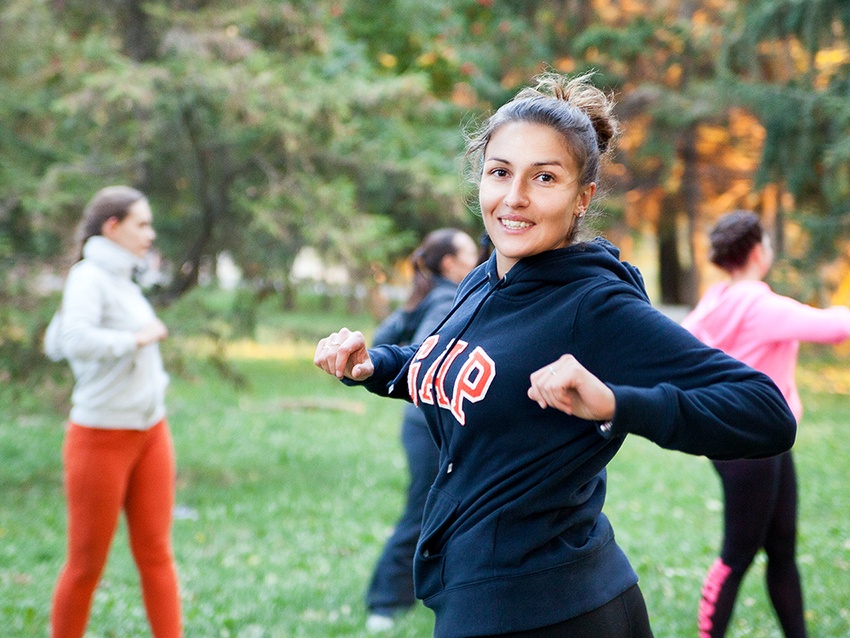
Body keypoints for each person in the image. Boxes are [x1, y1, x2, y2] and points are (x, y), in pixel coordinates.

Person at [315, 72, 796, 638]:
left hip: (550, 611)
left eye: (544, 177)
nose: (514, 198)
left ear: (582, 197)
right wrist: (378, 366)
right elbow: (450, 362)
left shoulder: (593, 304)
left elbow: (765, 411)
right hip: (483, 592)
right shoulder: (486, 279)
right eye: (500, 173)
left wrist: (618, 403)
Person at [681, 210, 850, 638]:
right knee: (737, 555)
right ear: (758, 252)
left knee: (782, 548)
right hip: (750, 447)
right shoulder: (762, 306)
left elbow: (683, 346)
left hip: (764, 441)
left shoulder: (714, 302)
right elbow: (835, 327)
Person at [46, 186, 182, 638]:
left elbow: (56, 337)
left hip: (150, 431)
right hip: (100, 435)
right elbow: (71, 341)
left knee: (157, 554)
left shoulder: (122, 277)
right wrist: (135, 339)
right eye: (141, 224)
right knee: (86, 565)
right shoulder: (88, 276)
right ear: (113, 226)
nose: (150, 233)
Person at [366, 228, 480, 632]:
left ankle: (433, 589)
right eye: (470, 251)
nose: (479, 255)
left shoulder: (426, 294)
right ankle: (383, 602)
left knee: (442, 510)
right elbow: (423, 352)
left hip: (421, 426)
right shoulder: (448, 298)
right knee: (422, 512)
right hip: (430, 427)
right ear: (449, 263)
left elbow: (382, 339)